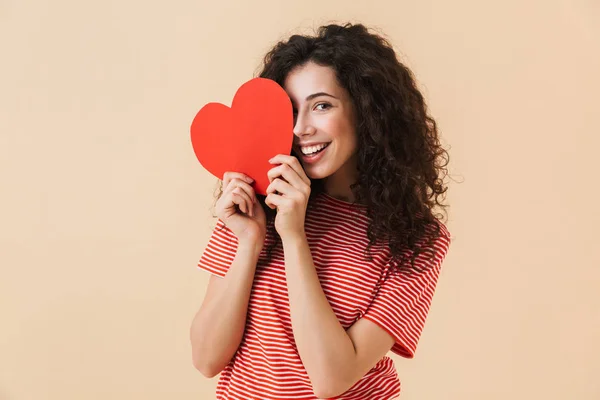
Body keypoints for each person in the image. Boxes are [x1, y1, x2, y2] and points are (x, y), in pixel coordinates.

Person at [190, 22, 452, 399]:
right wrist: (250, 242)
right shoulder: (256, 203)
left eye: (322, 106)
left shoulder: (415, 238)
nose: (300, 128)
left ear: (367, 112)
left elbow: (332, 379)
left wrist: (294, 237)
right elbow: (206, 359)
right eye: (290, 110)